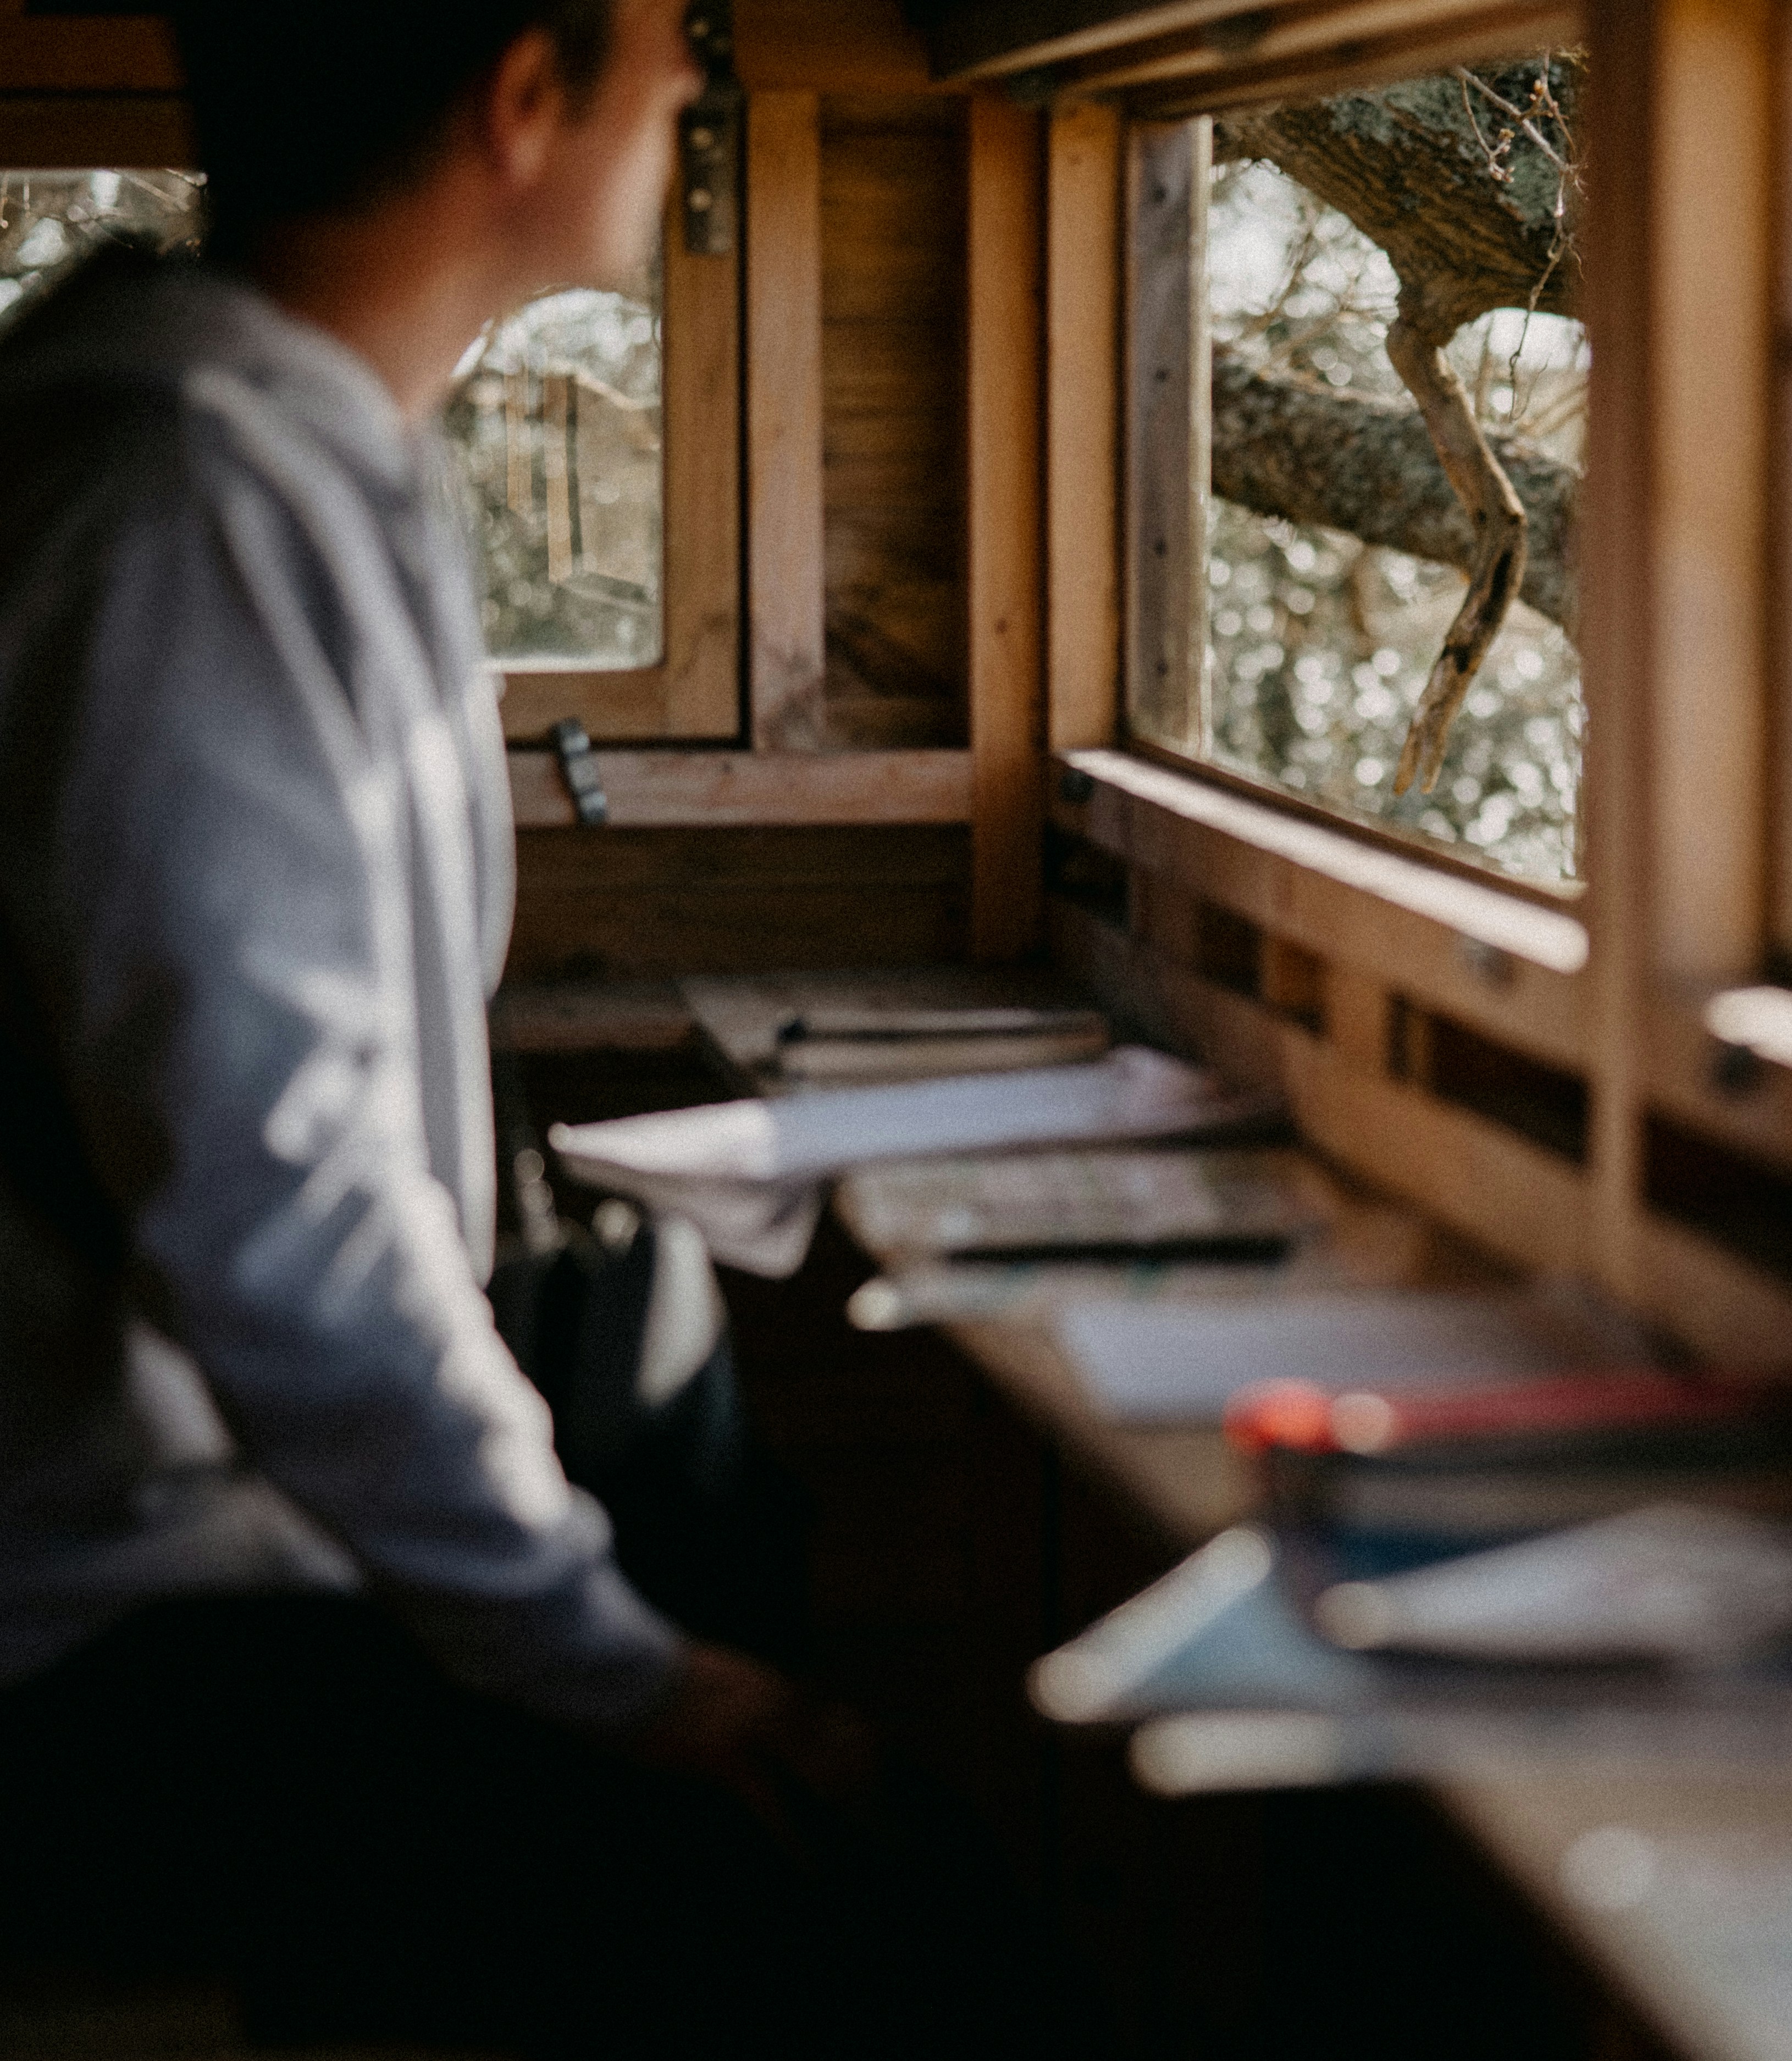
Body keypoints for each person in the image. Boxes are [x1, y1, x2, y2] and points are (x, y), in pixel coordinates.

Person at [0, 4, 1038, 2052]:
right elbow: (268, 1202)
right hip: (95, 1611)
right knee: (863, 1884)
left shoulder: (290, 437)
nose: (698, 89)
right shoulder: (178, 506)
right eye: (677, 42)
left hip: (172, 1477)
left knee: (649, 1348)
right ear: (524, 95)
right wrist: (626, 1673)